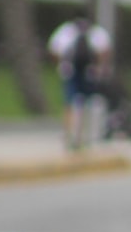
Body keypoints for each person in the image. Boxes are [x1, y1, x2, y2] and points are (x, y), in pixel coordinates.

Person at [48, 16, 112, 150]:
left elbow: (54, 49)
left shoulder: (66, 31)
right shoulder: (96, 32)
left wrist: (60, 65)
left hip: (70, 72)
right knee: (87, 103)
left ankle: (69, 136)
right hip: (89, 73)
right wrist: (99, 68)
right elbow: (104, 51)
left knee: (69, 103)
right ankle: (84, 136)